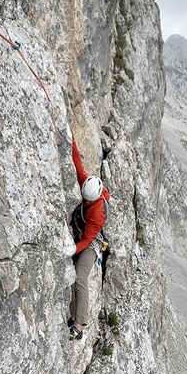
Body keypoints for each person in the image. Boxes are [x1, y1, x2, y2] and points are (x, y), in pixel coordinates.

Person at [68, 139, 110, 341]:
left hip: (91, 242)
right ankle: (73, 313)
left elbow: (87, 240)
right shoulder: (89, 186)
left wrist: (71, 249)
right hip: (80, 232)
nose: (84, 201)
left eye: (87, 200)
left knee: (79, 276)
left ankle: (79, 323)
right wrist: (72, 140)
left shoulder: (98, 213)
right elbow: (78, 165)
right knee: (71, 276)